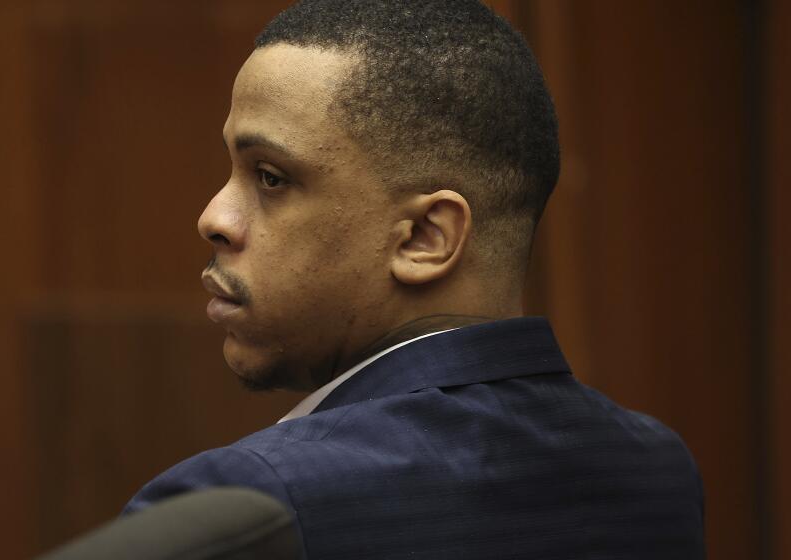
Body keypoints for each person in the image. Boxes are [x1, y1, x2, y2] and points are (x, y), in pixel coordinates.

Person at [124, 1, 705, 558]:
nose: (214, 219)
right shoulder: (655, 468)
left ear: (425, 238)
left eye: (271, 178)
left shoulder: (248, 509)